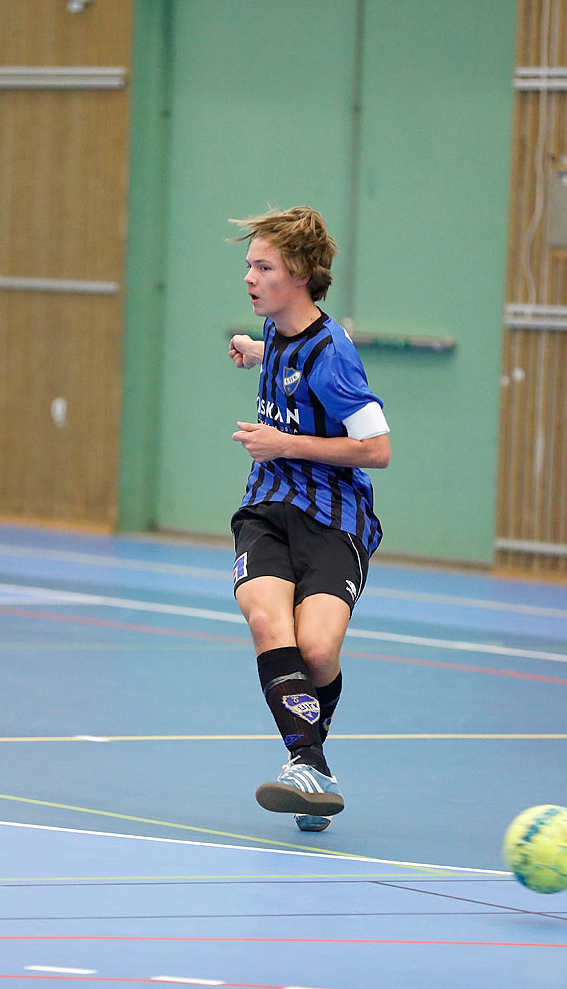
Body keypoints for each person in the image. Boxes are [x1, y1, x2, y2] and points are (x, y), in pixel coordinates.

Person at [225, 206, 391, 833]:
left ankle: (310, 766)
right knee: (268, 619)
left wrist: (283, 442)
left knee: (318, 652)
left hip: (334, 517)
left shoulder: (335, 354)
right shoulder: (281, 333)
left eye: (263, 267)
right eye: (248, 265)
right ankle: (309, 763)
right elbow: (285, 353)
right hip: (268, 507)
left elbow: (377, 449)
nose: (250, 277)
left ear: (296, 274)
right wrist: (253, 348)